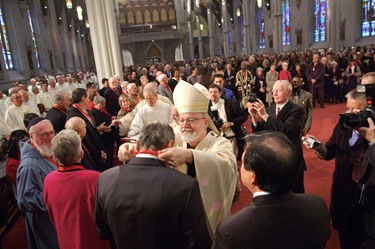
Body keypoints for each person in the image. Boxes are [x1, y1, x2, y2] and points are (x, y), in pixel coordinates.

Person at [124, 80, 237, 236]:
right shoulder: (176, 138)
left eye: (191, 120)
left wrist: (190, 155)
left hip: (206, 214)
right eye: (182, 120)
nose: (185, 125)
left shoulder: (219, 143)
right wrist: (132, 148)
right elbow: (152, 145)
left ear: (205, 122)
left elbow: (226, 163)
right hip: (176, 217)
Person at [96, 122, 212, 248]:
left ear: (138, 145)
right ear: (170, 145)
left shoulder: (105, 178)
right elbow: (199, 241)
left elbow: (102, 230)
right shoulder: (185, 185)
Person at [215, 131, 331, 249]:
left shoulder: (231, 230)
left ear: (253, 177)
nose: (240, 167)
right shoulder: (318, 204)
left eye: (243, 163)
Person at [303, 89, 369, 249]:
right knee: (344, 235)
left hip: (364, 198)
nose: (350, 113)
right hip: (342, 191)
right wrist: (317, 146)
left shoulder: (372, 133)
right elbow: (329, 152)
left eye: (356, 109)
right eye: (348, 108)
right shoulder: (343, 126)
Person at [43, 130, 110, 249]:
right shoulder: (95, 179)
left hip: (66, 241)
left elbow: (52, 215)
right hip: (95, 242)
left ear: (55, 157)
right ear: (81, 154)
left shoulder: (48, 180)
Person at [247, 80, 306, 193]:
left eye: (278, 91)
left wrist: (264, 116)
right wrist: (254, 117)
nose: (274, 94)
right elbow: (259, 134)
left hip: (291, 159)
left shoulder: (297, 110)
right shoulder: (269, 110)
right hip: (272, 160)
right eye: (273, 91)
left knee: (295, 194)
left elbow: (287, 131)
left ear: (289, 92)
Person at [16, 118, 59, 249]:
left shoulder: (44, 150)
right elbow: (25, 200)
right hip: (44, 222)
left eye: (52, 132)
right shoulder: (29, 166)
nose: (51, 137)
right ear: (31, 136)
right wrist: (58, 198)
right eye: (45, 134)